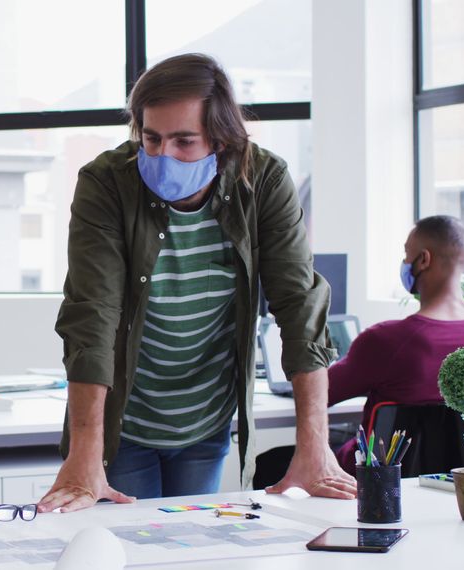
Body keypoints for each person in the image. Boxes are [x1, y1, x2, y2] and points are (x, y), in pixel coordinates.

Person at [38, 53, 354, 513]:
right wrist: (86, 453)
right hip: (122, 424)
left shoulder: (264, 179)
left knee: (189, 549)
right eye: (151, 138)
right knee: (124, 553)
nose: (164, 155)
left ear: (221, 141)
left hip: (205, 419)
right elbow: (93, 317)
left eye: (184, 141)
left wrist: (315, 446)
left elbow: (299, 305)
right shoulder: (107, 183)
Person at [328, 215, 464, 473]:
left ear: (423, 259)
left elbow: (321, 392)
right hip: (453, 489)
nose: (404, 263)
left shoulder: (385, 341)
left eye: (406, 254)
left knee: (272, 461)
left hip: (372, 484)